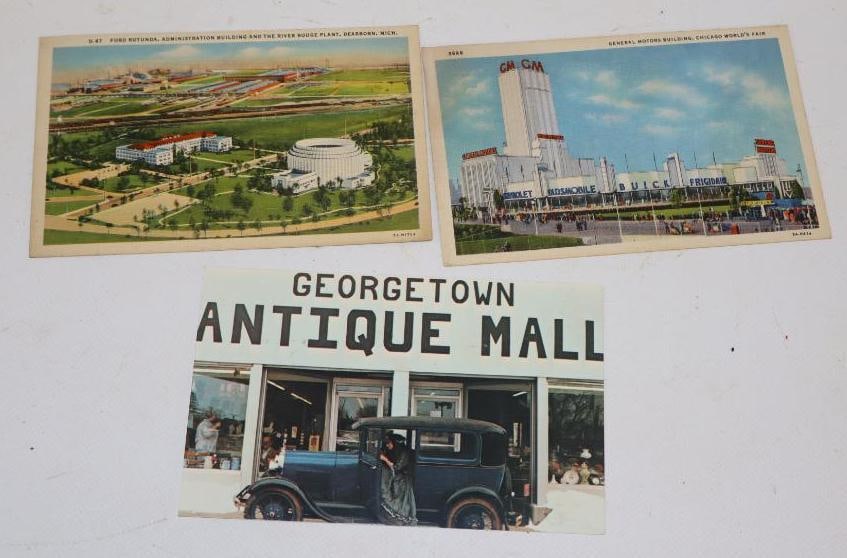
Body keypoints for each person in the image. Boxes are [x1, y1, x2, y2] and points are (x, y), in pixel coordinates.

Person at [377, 433, 417, 526]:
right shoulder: (394, 451)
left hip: (402, 480)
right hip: (396, 478)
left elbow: (396, 467)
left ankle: (399, 517)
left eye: (389, 443)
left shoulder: (404, 453)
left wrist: (385, 460)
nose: (387, 445)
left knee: (397, 501)